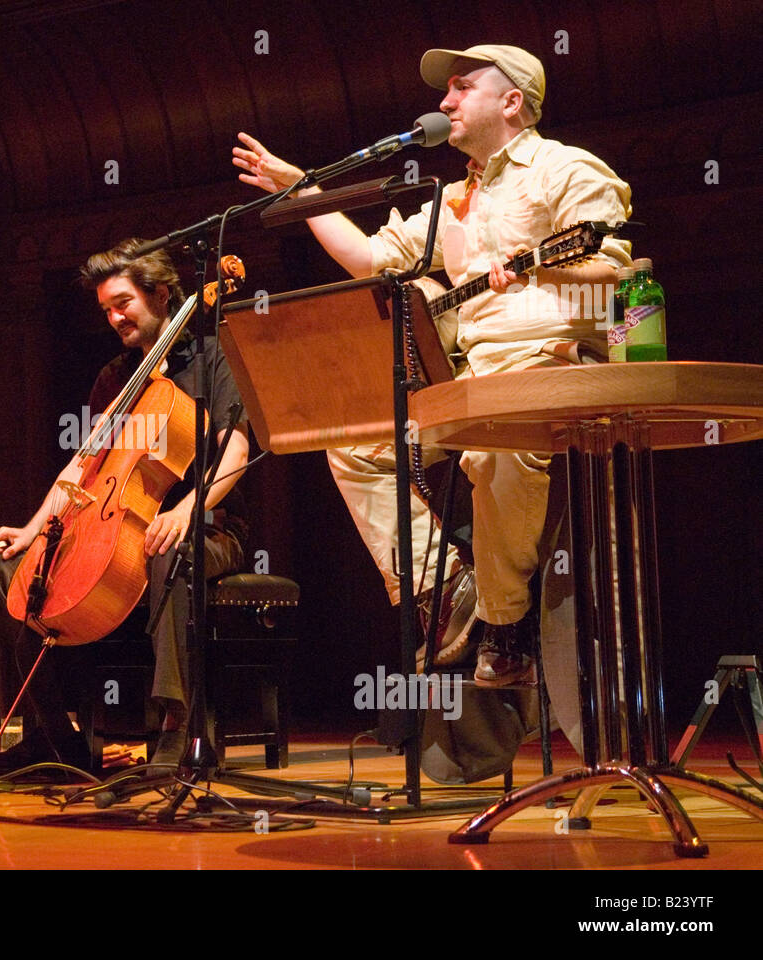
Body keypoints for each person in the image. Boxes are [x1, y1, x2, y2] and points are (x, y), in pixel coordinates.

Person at [233, 44, 632, 685]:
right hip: (473, 376)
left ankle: (506, 626)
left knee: (492, 444)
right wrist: (298, 187)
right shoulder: (450, 201)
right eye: (445, 92)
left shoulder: (563, 167)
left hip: (552, 365)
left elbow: (615, 271)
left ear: (511, 101)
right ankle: (448, 592)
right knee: (355, 445)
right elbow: (367, 258)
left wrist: (542, 261)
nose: (443, 103)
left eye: (461, 88)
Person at [0, 239, 250, 774]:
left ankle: (177, 728)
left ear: (163, 294)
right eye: (106, 309)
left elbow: (234, 451)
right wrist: (32, 531)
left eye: (122, 303)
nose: (114, 317)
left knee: (170, 551)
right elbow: (83, 466)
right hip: (116, 525)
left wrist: (185, 511)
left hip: (209, 527)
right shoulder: (114, 378)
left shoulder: (217, 358)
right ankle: (50, 737)